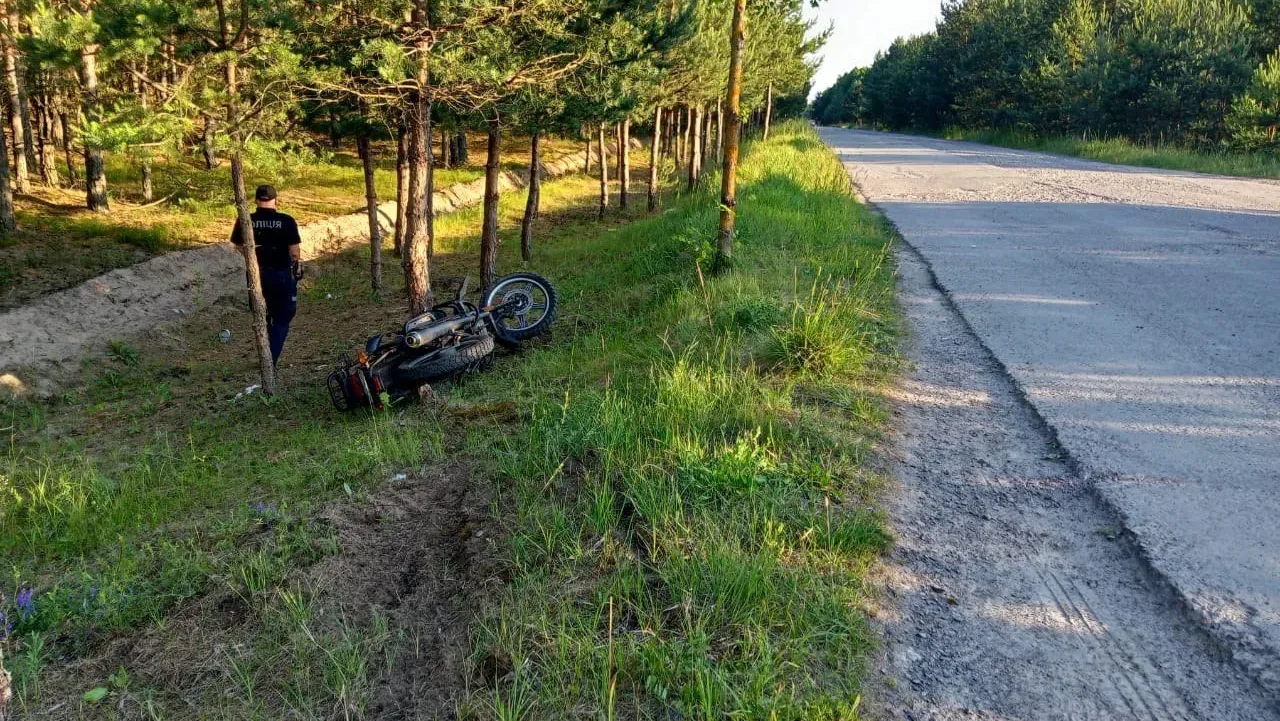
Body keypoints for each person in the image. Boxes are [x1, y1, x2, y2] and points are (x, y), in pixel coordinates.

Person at [230, 184, 303, 366]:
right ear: (275, 200)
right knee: (282, 317)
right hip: (281, 275)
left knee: (262, 315)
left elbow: (238, 246)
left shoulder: (245, 220)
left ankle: (265, 352)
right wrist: (296, 266)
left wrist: (253, 254)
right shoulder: (286, 221)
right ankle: (270, 360)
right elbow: (294, 252)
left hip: (257, 276)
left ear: (256, 200)